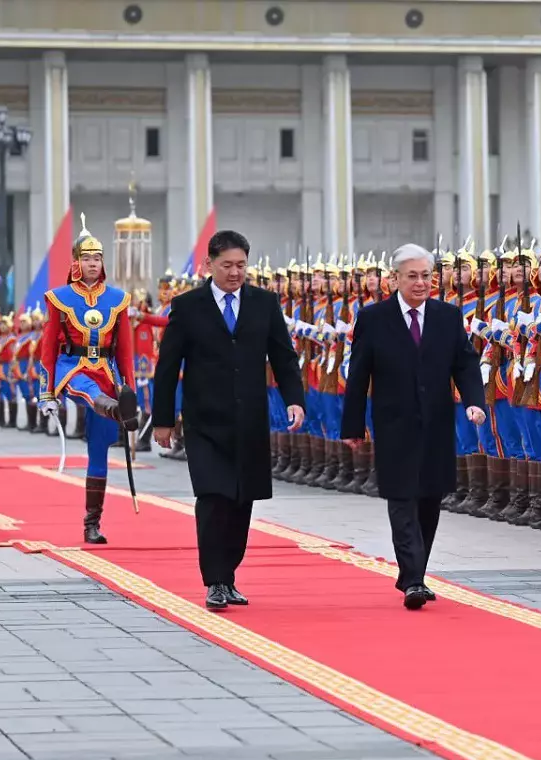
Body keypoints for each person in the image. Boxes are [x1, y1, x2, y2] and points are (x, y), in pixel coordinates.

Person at [151, 230, 306, 611]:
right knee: (213, 498)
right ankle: (215, 580)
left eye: (241, 265)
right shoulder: (188, 307)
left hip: (249, 420)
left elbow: (284, 358)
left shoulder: (263, 304)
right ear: (209, 265)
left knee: (241, 501)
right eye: (227, 266)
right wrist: (163, 420)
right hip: (205, 422)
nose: (235, 273)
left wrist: (295, 401)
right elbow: (168, 367)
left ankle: (230, 574)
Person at [340, 243, 487, 610]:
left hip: (437, 422)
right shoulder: (374, 318)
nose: (421, 283)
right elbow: (358, 375)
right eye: (413, 276)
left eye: (426, 276)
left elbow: (465, 365)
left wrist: (474, 403)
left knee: (429, 499)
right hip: (394, 424)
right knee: (402, 498)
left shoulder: (447, 316)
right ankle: (414, 578)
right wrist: (353, 426)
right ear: (395, 279)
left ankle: (413, 573)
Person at [36, 215, 140, 545]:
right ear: (76, 263)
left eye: (97, 258)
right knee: (89, 389)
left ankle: (92, 522)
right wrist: (46, 393)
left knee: (99, 450)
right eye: (86, 258)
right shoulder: (59, 297)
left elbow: (125, 351)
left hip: (107, 371)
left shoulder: (118, 299)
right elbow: (48, 347)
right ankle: (112, 407)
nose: (93, 263)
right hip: (74, 368)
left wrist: (130, 392)